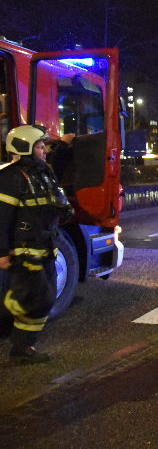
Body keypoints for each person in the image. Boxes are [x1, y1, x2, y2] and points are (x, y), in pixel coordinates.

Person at [0, 125, 74, 364]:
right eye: (40, 146)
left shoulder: (44, 172)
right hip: (25, 251)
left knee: (46, 297)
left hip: (46, 246)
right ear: (26, 148)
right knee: (37, 298)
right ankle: (19, 346)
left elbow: (55, 183)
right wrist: (2, 252)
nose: (44, 151)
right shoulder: (12, 177)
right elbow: (3, 218)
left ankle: (23, 348)